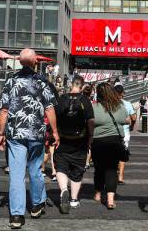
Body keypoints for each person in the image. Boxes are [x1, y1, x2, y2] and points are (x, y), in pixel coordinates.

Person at [0, 48, 58, 229]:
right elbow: (49, 108)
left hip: (16, 133)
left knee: (16, 174)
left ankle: (16, 216)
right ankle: (37, 204)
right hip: (37, 133)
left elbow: (4, 110)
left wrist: (1, 133)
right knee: (35, 169)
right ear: (35, 63)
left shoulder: (11, 81)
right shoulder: (42, 81)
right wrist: (54, 131)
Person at [54, 75, 94, 213]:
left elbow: (54, 117)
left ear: (71, 84)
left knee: (61, 166)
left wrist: (55, 133)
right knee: (77, 169)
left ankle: (64, 190)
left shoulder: (61, 99)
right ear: (82, 87)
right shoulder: (85, 101)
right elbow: (90, 121)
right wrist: (90, 137)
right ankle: (73, 199)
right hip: (80, 141)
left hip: (63, 139)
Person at [90, 82, 130, 209]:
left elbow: (89, 123)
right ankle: (110, 199)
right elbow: (126, 120)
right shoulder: (119, 106)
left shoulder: (94, 107)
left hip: (98, 141)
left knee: (99, 168)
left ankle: (97, 193)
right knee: (112, 169)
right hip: (114, 141)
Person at [114, 85, 137, 184]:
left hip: (113, 132)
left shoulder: (110, 104)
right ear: (123, 93)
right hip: (125, 133)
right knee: (123, 154)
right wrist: (132, 126)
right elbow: (134, 118)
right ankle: (120, 176)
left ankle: (114, 172)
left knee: (113, 154)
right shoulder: (127, 104)